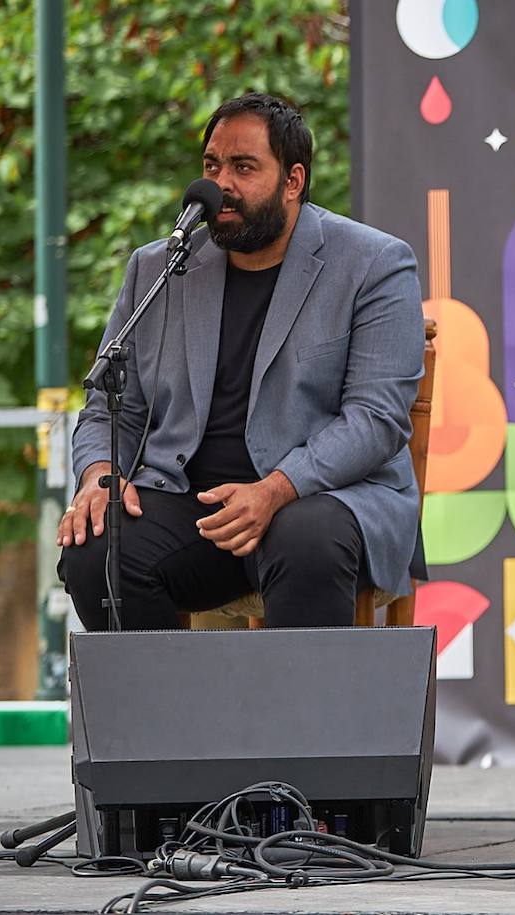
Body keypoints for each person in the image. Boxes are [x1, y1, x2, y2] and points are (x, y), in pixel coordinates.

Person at [59, 92, 425, 632]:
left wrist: (275, 488)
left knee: (308, 540)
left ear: (293, 181)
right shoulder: (160, 268)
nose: (220, 183)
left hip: (319, 499)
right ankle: (167, 717)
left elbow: (376, 418)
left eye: (244, 167)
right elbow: (108, 407)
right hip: (190, 503)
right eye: (212, 165)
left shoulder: (374, 264)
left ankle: (298, 720)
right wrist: (99, 475)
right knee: (98, 550)